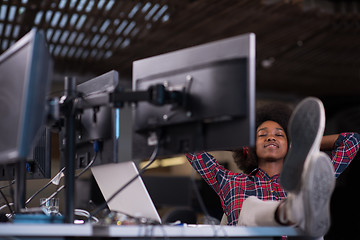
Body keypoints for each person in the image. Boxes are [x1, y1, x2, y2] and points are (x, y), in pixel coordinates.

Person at [185, 97, 360, 238]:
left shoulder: (310, 179)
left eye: (279, 135)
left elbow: (351, 141)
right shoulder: (230, 182)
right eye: (262, 135)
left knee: (307, 190)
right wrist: (241, 144)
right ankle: (293, 210)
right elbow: (189, 146)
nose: (270, 138)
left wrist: (304, 144)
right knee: (249, 206)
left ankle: (296, 210)